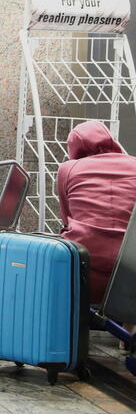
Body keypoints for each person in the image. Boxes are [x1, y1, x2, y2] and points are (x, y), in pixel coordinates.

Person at [56, 120, 136, 306]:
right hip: (130, 273)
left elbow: (67, 218)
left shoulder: (68, 169)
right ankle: (127, 328)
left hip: (83, 271)